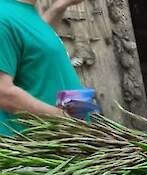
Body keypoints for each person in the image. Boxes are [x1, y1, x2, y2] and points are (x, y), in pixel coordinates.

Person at [0, 0, 88, 135]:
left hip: (70, 141)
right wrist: (68, 120)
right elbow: (3, 93)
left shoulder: (25, 11)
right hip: (42, 145)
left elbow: (37, 46)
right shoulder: (3, 16)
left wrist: (59, 6)